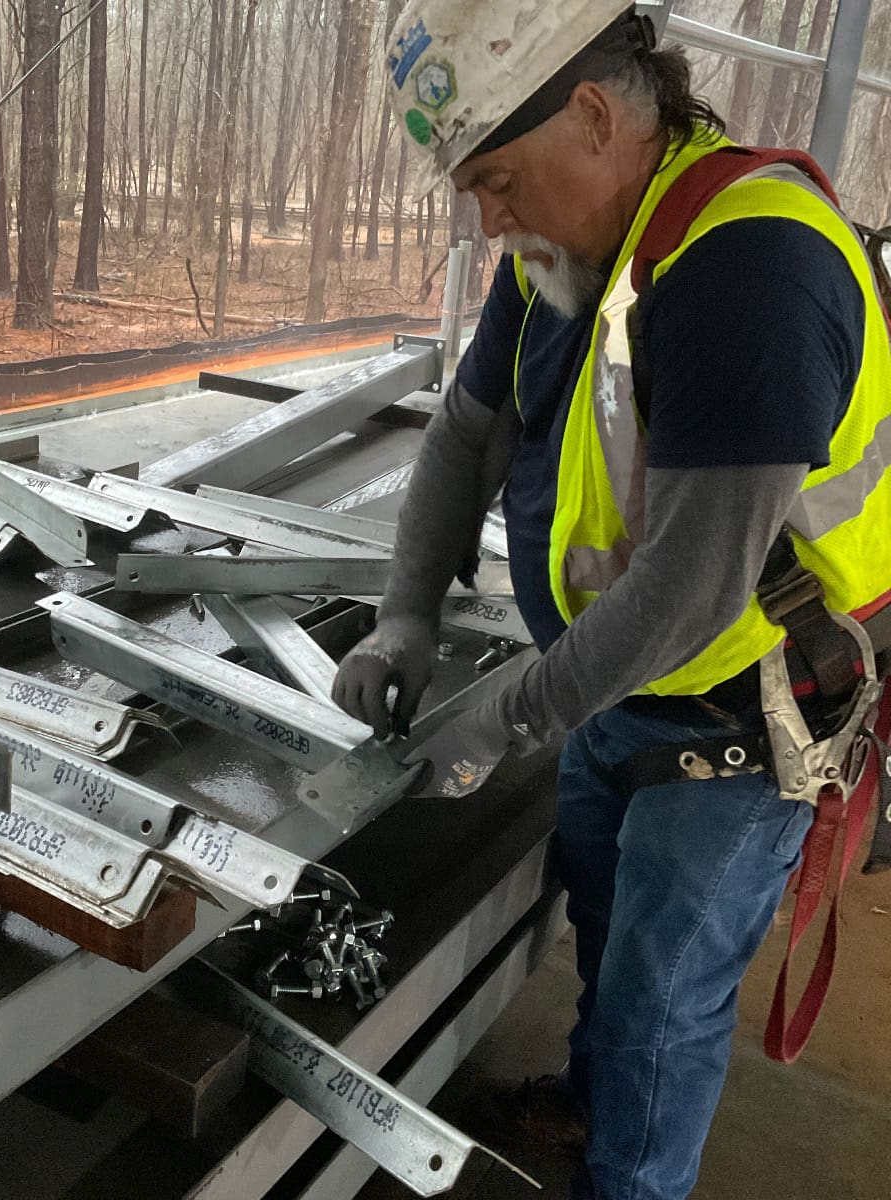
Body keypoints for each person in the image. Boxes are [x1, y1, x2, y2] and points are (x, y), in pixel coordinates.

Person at [330, 2, 891, 1197]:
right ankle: (593, 1117)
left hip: (737, 724)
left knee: (660, 1009)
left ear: (591, 110)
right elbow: (465, 433)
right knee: (603, 928)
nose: (489, 217)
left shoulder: (750, 266)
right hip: (611, 690)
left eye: (497, 180)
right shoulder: (570, 248)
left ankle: (628, 1175)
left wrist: (502, 718)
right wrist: (406, 613)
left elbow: (690, 592)